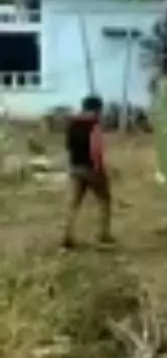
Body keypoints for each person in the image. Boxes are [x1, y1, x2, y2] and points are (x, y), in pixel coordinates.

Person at [62, 95, 112, 249]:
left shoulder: (72, 124)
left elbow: (68, 146)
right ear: (97, 109)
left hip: (75, 167)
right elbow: (96, 149)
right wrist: (99, 168)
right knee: (104, 200)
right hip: (91, 168)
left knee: (73, 203)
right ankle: (103, 234)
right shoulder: (94, 125)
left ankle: (67, 236)